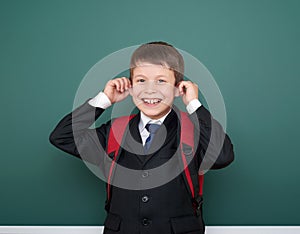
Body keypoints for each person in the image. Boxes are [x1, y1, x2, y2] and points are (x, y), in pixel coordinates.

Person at [49, 41, 234, 234]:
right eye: (141, 80)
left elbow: (223, 156)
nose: (150, 90)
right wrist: (104, 100)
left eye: (161, 81)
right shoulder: (114, 132)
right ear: (130, 85)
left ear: (178, 88)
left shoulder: (194, 131)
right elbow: (62, 137)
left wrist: (194, 105)